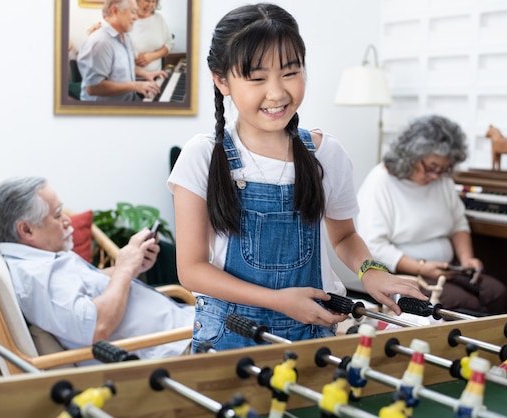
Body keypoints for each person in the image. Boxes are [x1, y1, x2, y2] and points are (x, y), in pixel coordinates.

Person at [167, 3, 426, 353]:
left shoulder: (326, 154)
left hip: (312, 332)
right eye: (257, 78)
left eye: (290, 72)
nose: (276, 92)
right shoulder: (202, 155)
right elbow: (192, 270)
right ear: (221, 80)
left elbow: (345, 235)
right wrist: (278, 300)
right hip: (227, 336)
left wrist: (370, 270)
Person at [0, 176, 194, 361]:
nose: (67, 220)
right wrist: (123, 269)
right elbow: (96, 327)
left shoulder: (42, 260)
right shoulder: (37, 275)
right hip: (177, 348)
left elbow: (87, 289)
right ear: (27, 230)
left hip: (182, 330)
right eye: (57, 214)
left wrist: (132, 266)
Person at [356, 115, 507, 315]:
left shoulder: (441, 181)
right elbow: (374, 246)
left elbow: (458, 224)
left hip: (445, 269)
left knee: (497, 293)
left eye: (444, 169)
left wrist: (467, 260)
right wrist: (421, 267)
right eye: (432, 167)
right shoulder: (380, 182)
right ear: (410, 155)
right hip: (402, 272)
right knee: (464, 303)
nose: (436, 175)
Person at [77, 0, 168, 101]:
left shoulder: (124, 34)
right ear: (115, 11)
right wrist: (135, 86)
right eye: (133, 12)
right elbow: (93, 88)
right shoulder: (99, 42)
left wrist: (145, 74)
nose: (136, 17)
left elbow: (123, 67)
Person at [130, 0, 174, 72]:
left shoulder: (159, 19)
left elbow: (169, 43)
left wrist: (152, 56)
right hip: (131, 80)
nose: (150, 5)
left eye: (153, 1)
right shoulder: (127, 20)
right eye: (147, 1)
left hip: (156, 77)